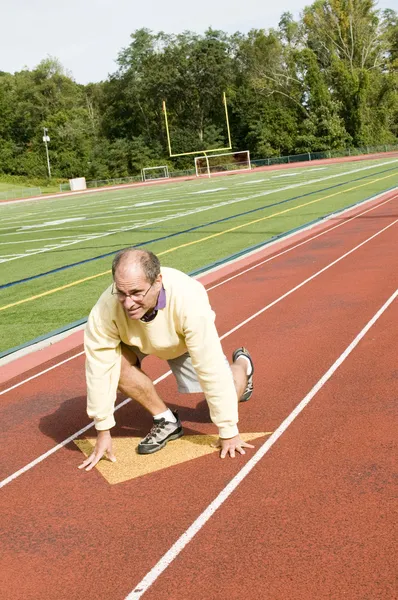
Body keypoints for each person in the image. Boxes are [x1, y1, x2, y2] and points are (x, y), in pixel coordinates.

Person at [78, 248, 255, 472]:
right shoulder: (105, 309)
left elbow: (210, 367)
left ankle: (243, 365)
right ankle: (166, 420)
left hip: (181, 342)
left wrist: (228, 430)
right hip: (135, 340)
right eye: (121, 292)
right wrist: (102, 429)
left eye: (136, 292)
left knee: (226, 397)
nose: (128, 302)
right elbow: (98, 368)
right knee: (114, 365)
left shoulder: (188, 299)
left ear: (158, 281)